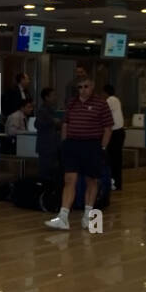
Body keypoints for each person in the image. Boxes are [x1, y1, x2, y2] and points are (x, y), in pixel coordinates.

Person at [45, 76, 112, 231]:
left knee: (91, 180)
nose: (83, 90)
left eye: (86, 86)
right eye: (80, 87)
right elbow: (65, 124)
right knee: (69, 180)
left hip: (92, 145)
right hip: (72, 145)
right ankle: (63, 217)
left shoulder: (101, 104)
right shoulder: (71, 102)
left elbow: (108, 128)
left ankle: (88, 216)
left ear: (92, 86)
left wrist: (102, 148)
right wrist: (64, 143)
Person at [35, 87, 61, 180]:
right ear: (46, 97)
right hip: (46, 147)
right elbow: (37, 124)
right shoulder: (42, 110)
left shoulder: (51, 110)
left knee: (52, 172)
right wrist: (52, 121)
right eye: (53, 95)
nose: (55, 98)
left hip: (52, 147)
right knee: (45, 173)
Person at [103, 83, 125, 191]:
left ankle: (114, 182)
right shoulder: (116, 99)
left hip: (115, 133)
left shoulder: (110, 100)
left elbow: (103, 113)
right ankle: (117, 182)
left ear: (105, 92)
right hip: (119, 132)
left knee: (112, 159)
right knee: (116, 159)